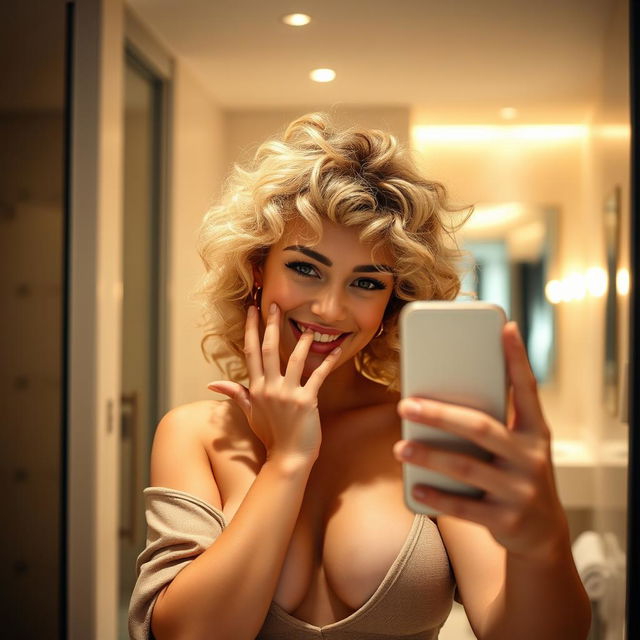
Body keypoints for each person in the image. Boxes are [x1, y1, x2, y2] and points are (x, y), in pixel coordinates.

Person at [128, 113, 591, 640]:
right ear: (258, 270)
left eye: (366, 282)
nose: (328, 308)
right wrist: (288, 462)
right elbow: (186, 634)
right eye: (305, 268)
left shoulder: (427, 429)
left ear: (394, 300)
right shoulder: (196, 434)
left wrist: (544, 534)